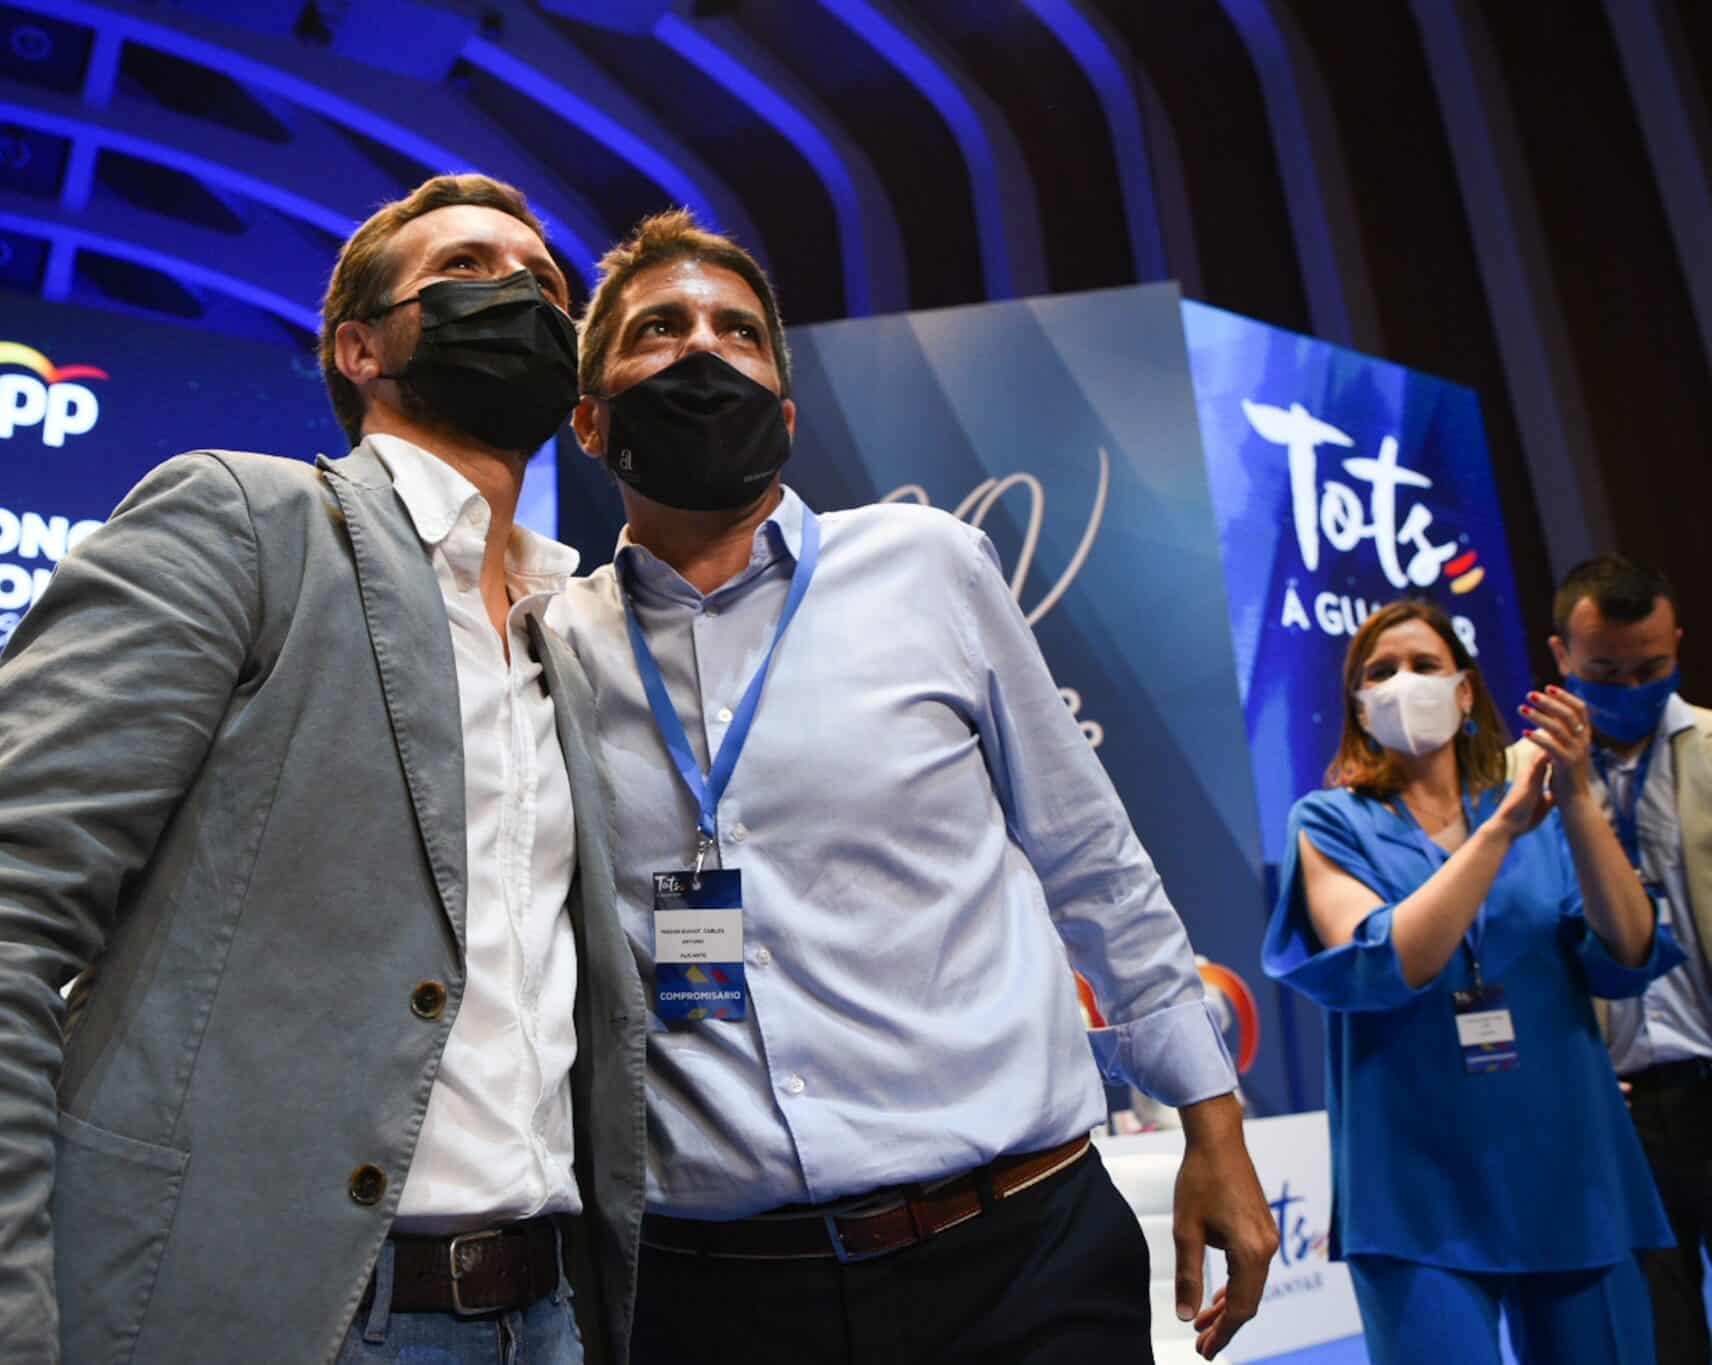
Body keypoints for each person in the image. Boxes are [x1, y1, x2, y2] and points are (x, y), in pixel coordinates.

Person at [0, 175, 645, 1365]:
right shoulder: (244, 521)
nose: (513, 291)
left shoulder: (565, 631)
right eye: (464, 269)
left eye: (542, 285)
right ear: (359, 346)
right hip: (273, 1318)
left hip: (544, 1318)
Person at [547, 208, 1277, 1365]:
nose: (699, 352)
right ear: (588, 420)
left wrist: (1212, 1124)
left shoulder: (926, 564)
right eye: (656, 331)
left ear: (783, 413)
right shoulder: (551, 645)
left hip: (1017, 1253)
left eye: (736, 330)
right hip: (719, 1300)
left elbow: (1088, 855)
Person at [1264, 598, 1679, 1364]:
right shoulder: (1328, 822)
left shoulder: (1545, 807)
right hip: (1414, 1188)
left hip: (1570, 1164)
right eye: (1379, 672)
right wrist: (1496, 834)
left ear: (1464, 692)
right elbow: (1391, 959)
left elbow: (1628, 948)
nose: (1403, 683)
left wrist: (1578, 795)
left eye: (1425, 665)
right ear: (1358, 707)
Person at [1533, 556, 1709, 1363]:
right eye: (1606, 670)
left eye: (1653, 667)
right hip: (1617, 1109)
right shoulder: (1519, 789)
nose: (1631, 684)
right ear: (1563, 655)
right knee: (1659, 1340)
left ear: (1678, 642)